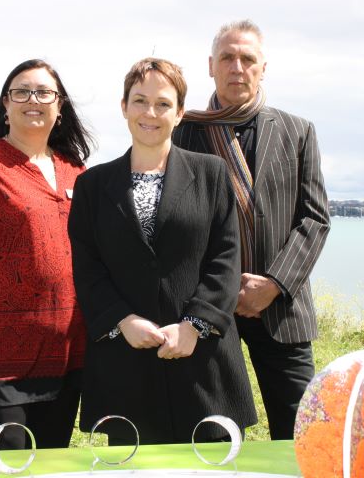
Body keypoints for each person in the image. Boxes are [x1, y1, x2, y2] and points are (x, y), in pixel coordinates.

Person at [68, 58, 257, 445]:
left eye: (163, 103)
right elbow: (87, 268)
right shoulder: (92, 185)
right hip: (127, 363)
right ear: (124, 107)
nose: (150, 113)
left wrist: (194, 326)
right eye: (140, 101)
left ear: (180, 112)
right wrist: (122, 320)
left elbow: (225, 259)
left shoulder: (212, 173)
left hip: (202, 362)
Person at [173, 20, 330, 440]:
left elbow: (315, 218)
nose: (237, 67)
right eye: (227, 57)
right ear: (211, 65)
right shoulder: (182, 132)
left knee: (301, 432)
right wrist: (220, 290)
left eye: (247, 59)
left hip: (281, 309)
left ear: (263, 68)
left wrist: (273, 284)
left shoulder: (297, 131)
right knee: (211, 431)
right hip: (207, 307)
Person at [0, 59, 92, 451]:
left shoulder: (76, 171)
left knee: (51, 465)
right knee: (4, 465)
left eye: (44, 93)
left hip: (65, 351)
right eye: (21, 92)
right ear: (5, 105)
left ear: (60, 107)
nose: (33, 100)